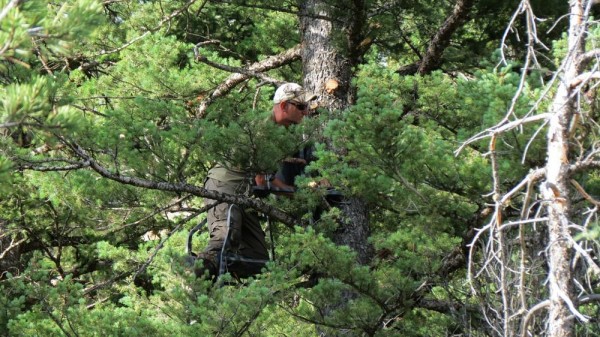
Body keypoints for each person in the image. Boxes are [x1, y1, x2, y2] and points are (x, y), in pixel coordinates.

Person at [193, 82, 317, 280]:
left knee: (256, 257)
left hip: (244, 193)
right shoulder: (262, 129)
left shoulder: (281, 132)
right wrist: (292, 192)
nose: (305, 112)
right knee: (225, 238)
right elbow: (262, 179)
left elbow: (267, 178)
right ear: (284, 106)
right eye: (301, 106)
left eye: (306, 107)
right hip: (225, 185)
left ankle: (217, 272)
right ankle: (195, 271)